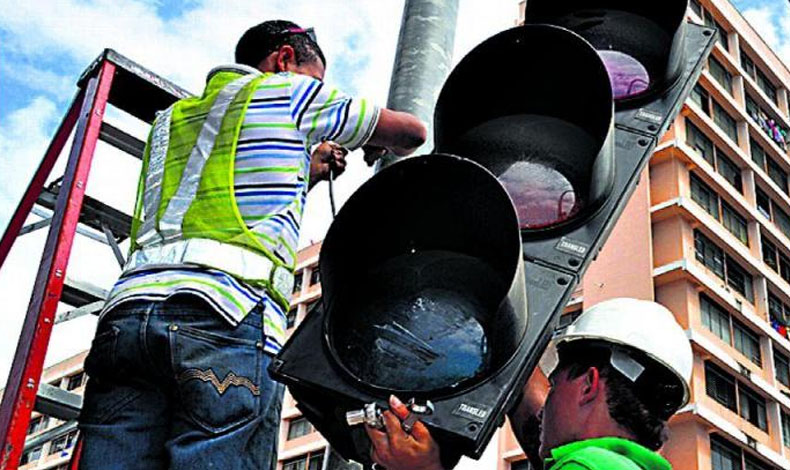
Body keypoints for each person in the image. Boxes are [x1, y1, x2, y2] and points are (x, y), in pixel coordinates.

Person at [77, 19, 426, 470]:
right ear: (283, 60)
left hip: (127, 319)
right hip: (224, 316)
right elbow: (410, 131)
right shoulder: (289, 92)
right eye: (314, 77)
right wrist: (366, 141)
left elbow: (226, 191)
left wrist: (305, 167)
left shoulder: (172, 120)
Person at [367, 298, 693, 470]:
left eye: (553, 387)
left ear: (589, 385)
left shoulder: (587, 466)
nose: (546, 403)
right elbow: (536, 422)